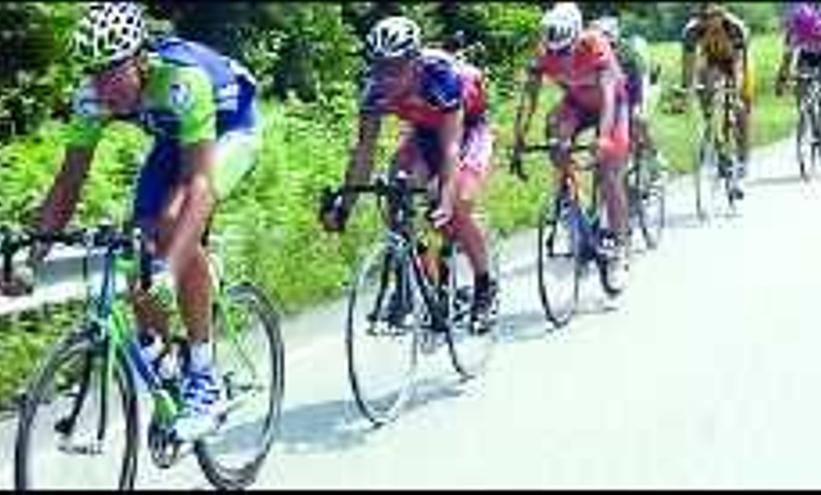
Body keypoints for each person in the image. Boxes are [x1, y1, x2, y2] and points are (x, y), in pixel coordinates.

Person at [0, 2, 261, 442]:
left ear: (140, 59)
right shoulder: (91, 96)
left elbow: (199, 184)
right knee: (137, 239)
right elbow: (68, 182)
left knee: (176, 224)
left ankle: (203, 376)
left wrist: (172, 265)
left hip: (233, 128)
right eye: (93, 72)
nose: (103, 86)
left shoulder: (181, 79)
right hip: (176, 135)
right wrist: (34, 257)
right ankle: (162, 360)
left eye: (112, 71)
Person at [319, 16, 498, 333]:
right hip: (425, 131)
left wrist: (444, 198)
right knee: (396, 188)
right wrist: (344, 207)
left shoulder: (440, 76)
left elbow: (451, 148)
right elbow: (363, 151)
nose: (386, 75)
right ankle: (427, 286)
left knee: (457, 205)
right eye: (380, 66)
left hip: (467, 130)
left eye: (395, 66)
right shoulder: (375, 89)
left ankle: (485, 287)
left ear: (414, 61)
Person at [511, 3, 631, 293]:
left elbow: (608, 94)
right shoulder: (545, 52)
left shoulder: (594, 44)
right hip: (577, 104)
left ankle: (619, 244)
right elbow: (530, 98)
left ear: (577, 38)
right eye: (555, 53)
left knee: (611, 171)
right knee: (555, 131)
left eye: (565, 52)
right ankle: (570, 199)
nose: (560, 59)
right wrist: (519, 137)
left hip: (610, 106)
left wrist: (603, 138)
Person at [673, 2, 752, 197]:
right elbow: (688, 67)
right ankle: (718, 147)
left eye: (713, 16)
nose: (708, 21)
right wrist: (687, 90)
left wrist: (736, 92)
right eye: (704, 17)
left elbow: (740, 65)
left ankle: (742, 160)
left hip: (734, 62)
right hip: (710, 61)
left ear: (722, 14)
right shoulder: (691, 31)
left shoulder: (735, 28)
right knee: (706, 93)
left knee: (740, 107)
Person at [590, 14, 669, 184]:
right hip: (615, 93)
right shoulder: (590, 53)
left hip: (637, 84)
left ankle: (655, 159)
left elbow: (637, 87)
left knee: (637, 119)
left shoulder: (627, 54)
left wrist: (636, 107)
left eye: (606, 39)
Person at [776, 2, 821, 138]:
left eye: (802, 28)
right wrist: (781, 80)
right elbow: (786, 59)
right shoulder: (793, 32)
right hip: (807, 56)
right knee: (802, 87)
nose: (799, 31)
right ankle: (810, 121)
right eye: (797, 27)